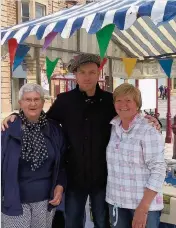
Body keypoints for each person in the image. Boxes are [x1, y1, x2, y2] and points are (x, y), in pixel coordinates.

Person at [2, 54, 161, 228]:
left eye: (92, 72)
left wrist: (153, 119)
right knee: (73, 222)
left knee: (102, 221)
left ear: (98, 74)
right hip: (74, 177)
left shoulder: (110, 100)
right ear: (76, 75)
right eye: (83, 72)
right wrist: (17, 116)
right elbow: (41, 120)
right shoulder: (64, 100)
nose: (87, 77)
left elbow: (130, 111)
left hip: (104, 178)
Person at [1, 83, 66, 227]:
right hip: (15, 200)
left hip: (45, 200)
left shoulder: (54, 130)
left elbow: (62, 163)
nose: (33, 103)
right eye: (28, 99)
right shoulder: (8, 129)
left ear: (43, 102)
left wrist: (60, 186)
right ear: (20, 103)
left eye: (37, 99)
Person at [106, 83, 166, 228]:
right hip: (116, 201)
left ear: (137, 104)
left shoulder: (148, 129)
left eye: (128, 100)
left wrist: (143, 208)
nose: (123, 105)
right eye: (118, 100)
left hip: (142, 204)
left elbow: (158, 170)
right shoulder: (114, 127)